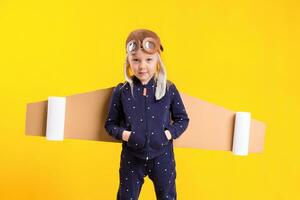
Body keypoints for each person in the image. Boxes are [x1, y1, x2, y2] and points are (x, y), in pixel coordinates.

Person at [104, 28, 190, 200]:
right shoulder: (122, 91)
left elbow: (183, 119)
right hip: (132, 158)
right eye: (136, 60)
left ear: (157, 59)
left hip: (163, 156)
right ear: (128, 60)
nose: (142, 66)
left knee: (167, 197)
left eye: (148, 60)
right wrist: (128, 136)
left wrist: (166, 135)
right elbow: (110, 124)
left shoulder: (169, 89)